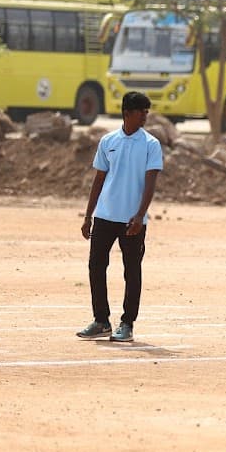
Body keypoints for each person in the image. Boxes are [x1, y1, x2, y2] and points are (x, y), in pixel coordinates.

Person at [76, 91, 163, 343]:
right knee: (95, 266)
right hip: (104, 216)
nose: (145, 116)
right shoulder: (108, 140)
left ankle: (127, 323)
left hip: (132, 220)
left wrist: (139, 215)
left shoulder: (150, 144)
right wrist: (88, 215)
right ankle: (101, 320)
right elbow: (99, 179)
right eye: (141, 112)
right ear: (127, 113)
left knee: (132, 270)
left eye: (147, 112)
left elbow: (151, 183)